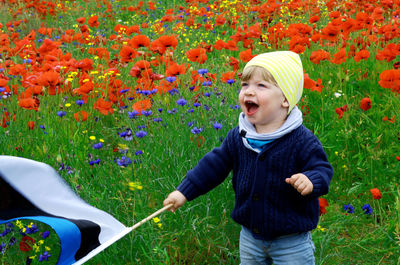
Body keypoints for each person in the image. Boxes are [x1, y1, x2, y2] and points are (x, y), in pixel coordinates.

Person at [163, 51, 333, 265]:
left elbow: (322, 169)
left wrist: (311, 180)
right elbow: (213, 166)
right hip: (250, 237)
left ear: (285, 99)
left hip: (291, 241)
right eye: (245, 84)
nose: (249, 91)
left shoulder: (301, 140)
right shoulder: (239, 136)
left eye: (261, 86)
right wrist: (184, 192)